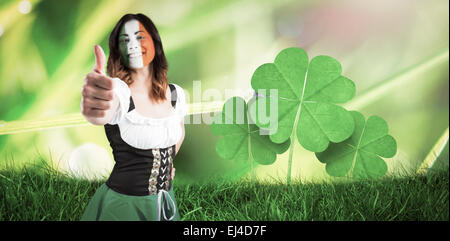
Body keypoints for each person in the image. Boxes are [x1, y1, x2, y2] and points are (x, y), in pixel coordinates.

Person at [80, 13, 187, 221]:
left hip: (164, 203)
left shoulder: (175, 94)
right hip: (124, 207)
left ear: (155, 43)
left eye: (139, 37)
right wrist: (96, 103)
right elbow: (104, 110)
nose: (132, 44)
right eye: (125, 40)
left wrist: (168, 165)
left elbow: (179, 132)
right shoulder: (119, 90)